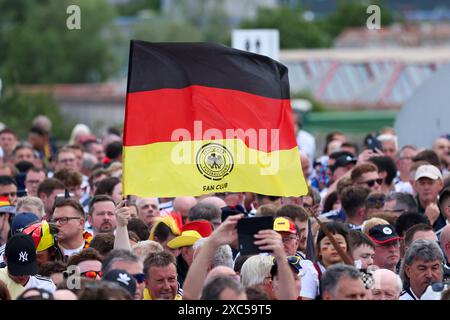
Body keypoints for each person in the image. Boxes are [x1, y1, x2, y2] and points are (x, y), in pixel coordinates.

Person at [0, 233, 56, 299]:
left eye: (27, 269)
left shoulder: (46, 285)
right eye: (17, 269)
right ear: (5, 259)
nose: (22, 275)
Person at [166, 220, 212, 287]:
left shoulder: (212, 266)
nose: (207, 253)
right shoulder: (172, 275)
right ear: (186, 252)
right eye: (202, 250)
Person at [413, 164, 446, 235]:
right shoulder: (408, 208)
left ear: (440, 184)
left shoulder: (446, 205)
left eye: (430, 183)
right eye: (422, 183)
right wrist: (428, 220)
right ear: (415, 185)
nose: (426, 187)